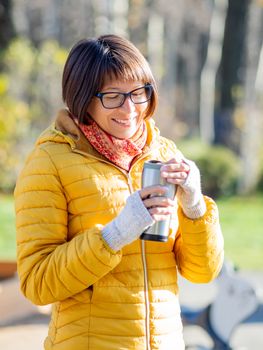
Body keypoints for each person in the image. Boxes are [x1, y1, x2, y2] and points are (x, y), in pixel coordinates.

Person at [14, 34, 224, 350]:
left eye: (138, 93)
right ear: (83, 98)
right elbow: (37, 283)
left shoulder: (164, 154)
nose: (130, 108)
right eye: (113, 96)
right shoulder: (49, 163)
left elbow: (202, 271)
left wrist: (194, 205)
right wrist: (115, 234)